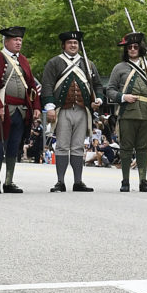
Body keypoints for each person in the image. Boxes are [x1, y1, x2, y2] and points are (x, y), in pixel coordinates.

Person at [0, 27, 37, 195]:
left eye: (20, 40)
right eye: (15, 40)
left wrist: (37, 108)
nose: (18, 42)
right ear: (6, 41)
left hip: (21, 110)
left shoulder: (24, 61)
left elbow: (32, 86)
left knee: (14, 146)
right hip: (3, 109)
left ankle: (8, 181)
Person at [42, 28, 99, 193]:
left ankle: (78, 181)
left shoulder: (88, 64)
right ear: (63, 45)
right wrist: (50, 107)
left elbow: (97, 86)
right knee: (62, 146)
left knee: (78, 147)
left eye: (75, 43)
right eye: (70, 43)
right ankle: (60, 181)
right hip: (62, 110)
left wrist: (98, 99)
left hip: (82, 111)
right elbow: (47, 86)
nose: (73, 45)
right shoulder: (54, 63)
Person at [103, 31, 147, 192]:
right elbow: (110, 90)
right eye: (130, 47)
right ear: (126, 49)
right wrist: (123, 97)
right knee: (126, 148)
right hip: (127, 112)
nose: (133, 49)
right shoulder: (119, 68)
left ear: (140, 48)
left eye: (136, 46)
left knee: (143, 148)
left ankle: (143, 180)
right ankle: (125, 181)